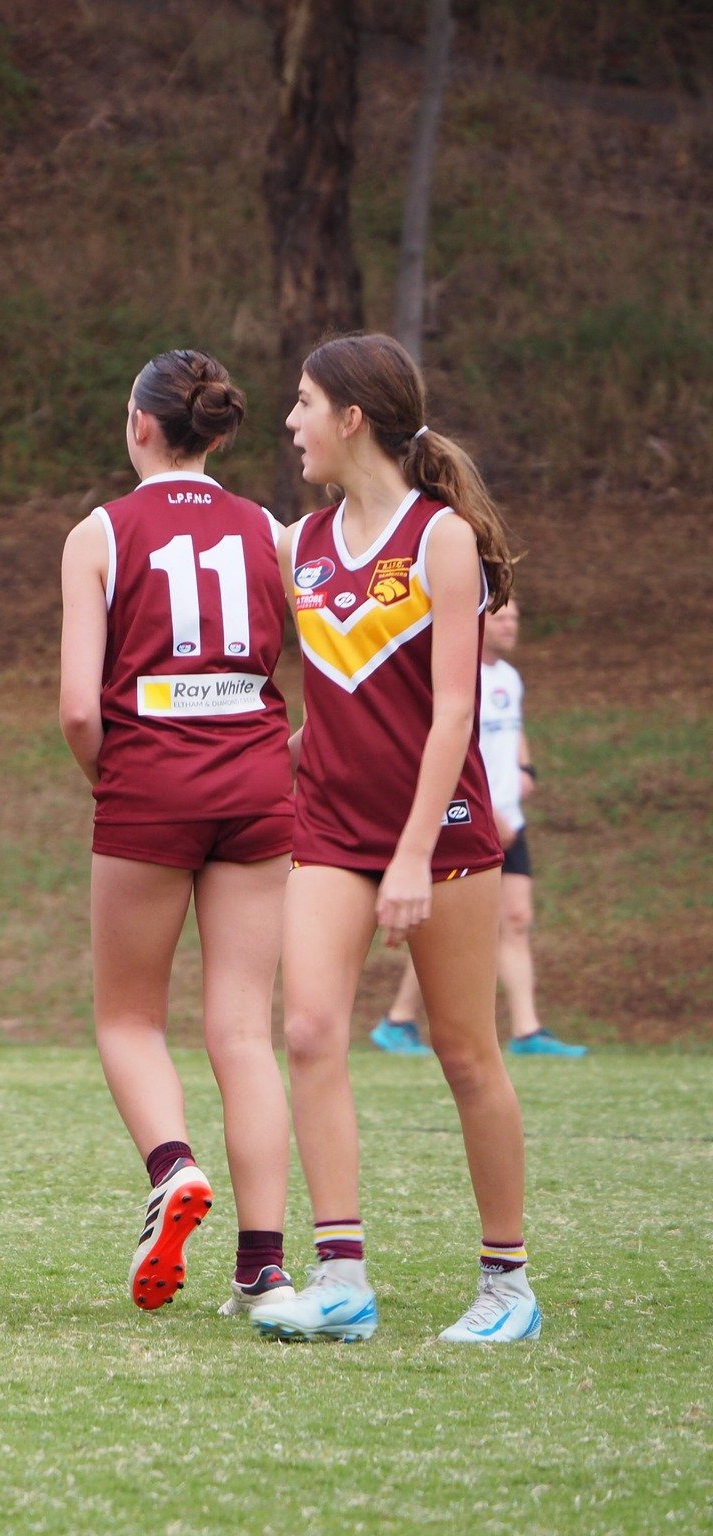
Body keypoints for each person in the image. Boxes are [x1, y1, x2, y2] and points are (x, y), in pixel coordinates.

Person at [248, 333, 540, 1345]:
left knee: (463, 1052)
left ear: (349, 417)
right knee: (307, 1030)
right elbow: (333, 691)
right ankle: (340, 1278)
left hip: (442, 831)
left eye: (299, 404)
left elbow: (449, 714)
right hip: (326, 825)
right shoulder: (300, 545)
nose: (289, 424)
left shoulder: (439, 540)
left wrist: (412, 855)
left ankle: (506, 1283)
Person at [57, 350, 296, 1318]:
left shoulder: (99, 532)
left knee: (126, 1017)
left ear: (139, 424)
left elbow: (80, 709)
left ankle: (171, 1168)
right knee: (242, 1029)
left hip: (148, 781)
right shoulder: (270, 530)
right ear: (219, 431)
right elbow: (315, 685)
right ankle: (264, 1264)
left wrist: (112, 780)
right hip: (253, 780)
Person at [369, 597, 587, 1057]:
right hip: (473, 817)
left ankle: (526, 1031)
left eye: (516, 618)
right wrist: (491, 810)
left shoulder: (509, 678)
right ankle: (398, 1021)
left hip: (511, 819)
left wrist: (526, 770)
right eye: (501, 618)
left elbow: (515, 731)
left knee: (515, 918)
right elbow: (451, 747)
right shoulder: (458, 677)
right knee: (458, 926)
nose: (511, 627)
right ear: (477, 624)